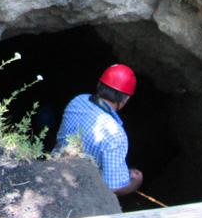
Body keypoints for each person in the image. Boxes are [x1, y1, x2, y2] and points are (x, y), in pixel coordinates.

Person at [55, 64, 143, 196]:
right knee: (136, 176)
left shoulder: (77, 101)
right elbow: (113, 188)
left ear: (99, 84)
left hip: (56, 169)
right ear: (126, 99)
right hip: (81, 191)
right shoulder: (115, 135)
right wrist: (136, 182)